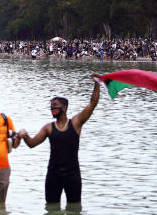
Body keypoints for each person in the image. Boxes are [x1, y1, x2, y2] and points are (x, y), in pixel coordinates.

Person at [16, 75, 100, 205]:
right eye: (51, 106)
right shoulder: (48, 128)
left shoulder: (76, 123)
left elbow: (92, 104)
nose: (52, 109)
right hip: (53, 174)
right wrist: (25, 136)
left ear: (65, 108)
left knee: (74, 210)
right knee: (51, 209)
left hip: (72, 174)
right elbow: (32, 144)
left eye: (55, 105)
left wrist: (97, 84)